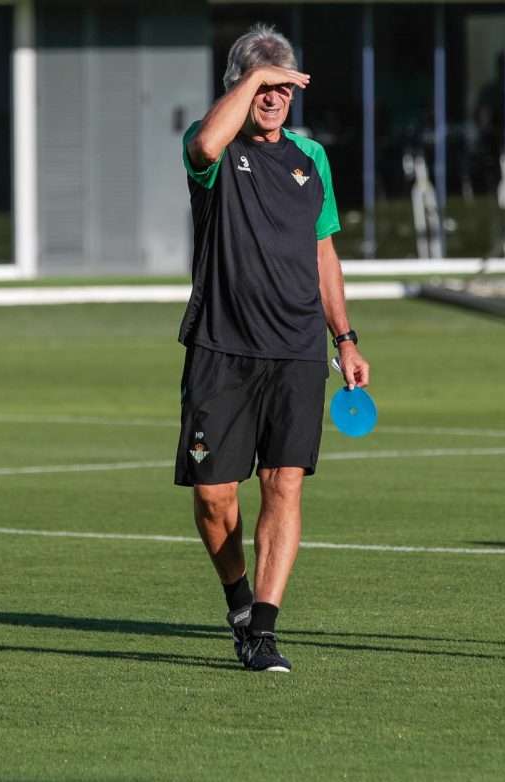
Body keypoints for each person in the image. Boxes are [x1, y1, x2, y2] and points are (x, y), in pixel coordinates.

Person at [175, 23, 369, 673]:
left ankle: (263, 627)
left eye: (286, 86)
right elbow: (204, 141)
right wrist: (254, 77)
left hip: (295, 349)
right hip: (221, 345)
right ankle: (236, 597)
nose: (276, 98)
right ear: (239, 86)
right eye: (264, 86)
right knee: (212, 494)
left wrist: (345, 338)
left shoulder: (311, 159)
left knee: (283, 484)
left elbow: (325, 253)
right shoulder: (215, 150)